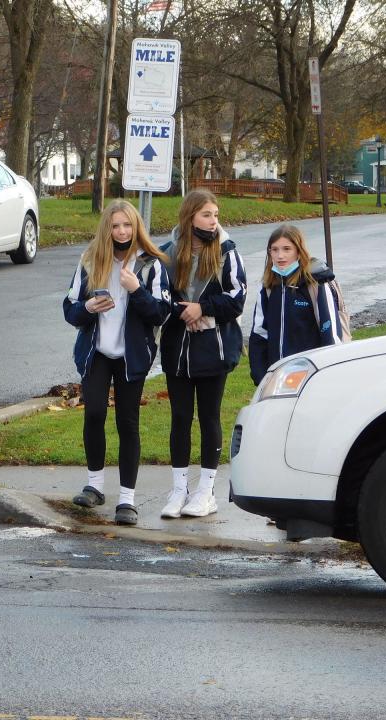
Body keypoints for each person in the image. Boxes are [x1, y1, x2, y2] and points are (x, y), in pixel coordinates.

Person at [63, 200, 171, 526]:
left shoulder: (151, 265)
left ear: (136, 226)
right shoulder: (89, 260)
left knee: (128, 422)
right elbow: (70, 310)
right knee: (94, 413)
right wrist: (89, 308)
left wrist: (136, 290)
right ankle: (94, 486)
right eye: (115, 226)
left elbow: (161, 313)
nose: (122, 231)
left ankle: (127, 499)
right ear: (106, 229)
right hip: (97, 353)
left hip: (132, 356)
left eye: (127, 225)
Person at [158, 189, 246, 519]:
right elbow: (160, 296)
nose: (213, 221)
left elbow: (236, 299)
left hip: (214, 349)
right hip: (178, 350)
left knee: (209, 418)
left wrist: (203, 308)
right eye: (207, 214)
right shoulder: (168, 253)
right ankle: (179, 489)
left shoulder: (226, 252)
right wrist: (186, 311)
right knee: (180, 418)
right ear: (190, 216)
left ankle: (206, 492)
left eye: (216, 215)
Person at [249, 223, 345, 386]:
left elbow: (331, 334)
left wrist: (325, 377)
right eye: (275, 249)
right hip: (276, 378)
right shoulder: (268, 288)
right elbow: (259, 334)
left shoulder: (316, 285)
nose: (280, 256)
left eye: (287, 249)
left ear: (299, 252)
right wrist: (260, 377)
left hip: (310, 378)